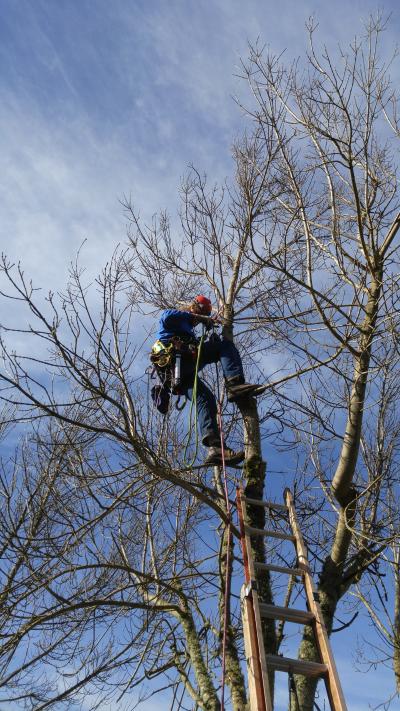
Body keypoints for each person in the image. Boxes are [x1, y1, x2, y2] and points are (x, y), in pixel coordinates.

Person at [151, 295, 261, 465]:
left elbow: (195, 349)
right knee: (225, 346)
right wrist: (200, 318)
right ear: (193, 307)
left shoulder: (189, 331)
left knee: (205, 399)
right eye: (201, 312)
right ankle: (235, 384)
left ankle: (215, 448)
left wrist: (208, 341)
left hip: (182, 372)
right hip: (174, 366)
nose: (199, 320)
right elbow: (166, 316)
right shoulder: (175, 318)